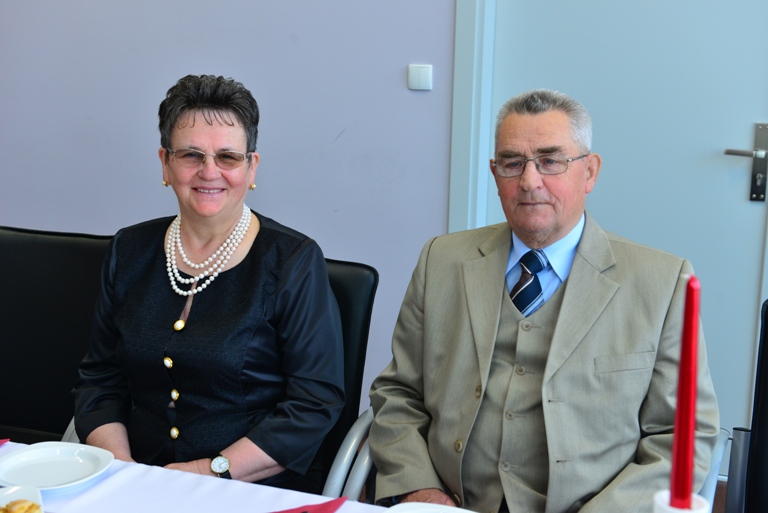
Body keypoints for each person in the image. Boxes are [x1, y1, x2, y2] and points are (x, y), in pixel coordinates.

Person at [368, 89, 719, 512]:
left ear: (589, 172)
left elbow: (682, 436)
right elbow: (398, 393)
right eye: (512, 163)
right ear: (494, 173)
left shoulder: (662, 283)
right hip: (453, 502)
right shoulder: (441, 260)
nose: (529, 181)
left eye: (551, 161)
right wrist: (421, 490)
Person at [73, 74, 345, 493]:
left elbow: (314, 404)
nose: (209, 172)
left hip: (249, 487)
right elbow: (100, 378)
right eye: (191, 155)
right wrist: (123, 472)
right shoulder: (129, 249)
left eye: (228, 157)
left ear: (251, 167)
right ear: (165, 163)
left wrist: (207, 472)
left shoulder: (293, 261)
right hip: (135, 478)